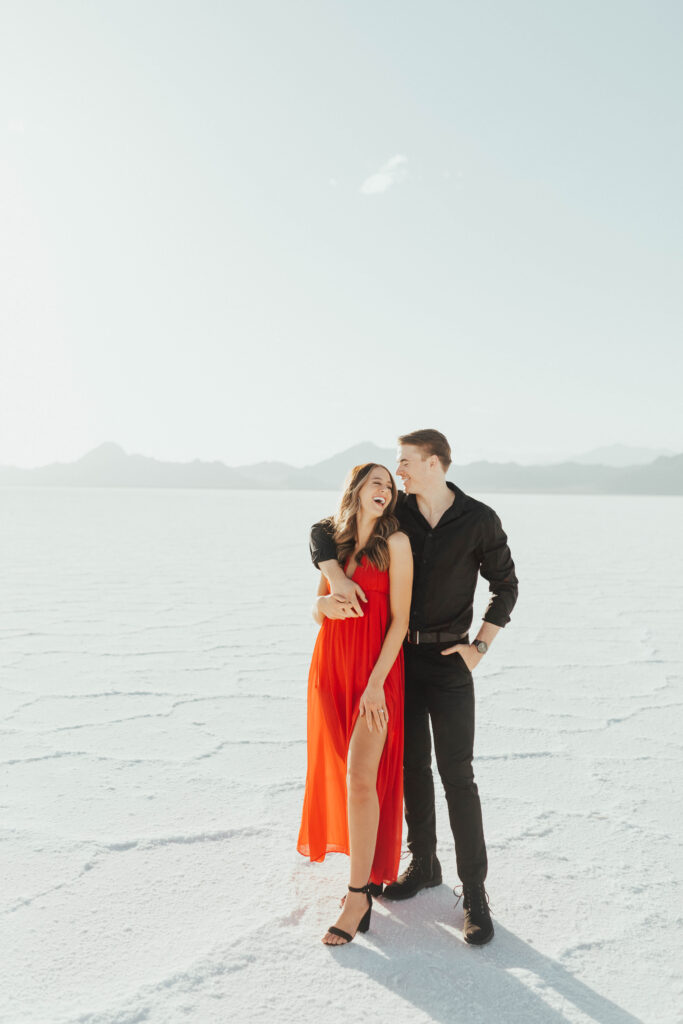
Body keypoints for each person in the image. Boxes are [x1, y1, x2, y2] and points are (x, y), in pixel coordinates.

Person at [310, 429, 518, 946]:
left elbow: (506, 585)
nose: (398, 472)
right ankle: (423, 864)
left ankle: (474, 894)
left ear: (435, 463)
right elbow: (324, 529)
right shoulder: (397, 514)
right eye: (394, 466)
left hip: (449, 660)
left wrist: (480, 646)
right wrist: (332, 580)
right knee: (409, 766)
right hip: (400, 659)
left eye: (404, 463)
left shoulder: (478, 519)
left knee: (457, 774)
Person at [297, 463, 413, 945]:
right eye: (376, 482)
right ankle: (363, 876)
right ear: (358, 490)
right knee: (345, 774)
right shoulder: (335, 544)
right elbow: (317, 605)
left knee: (363, 779)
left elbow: (400, 622)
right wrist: (321, 605)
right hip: (331, 669)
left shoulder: (398, 545)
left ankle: (358, 895)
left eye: (389, 484)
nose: (384, 489)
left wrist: (374, 685)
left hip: (375, 676)